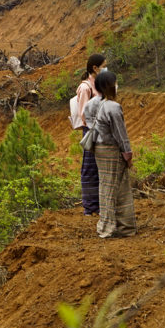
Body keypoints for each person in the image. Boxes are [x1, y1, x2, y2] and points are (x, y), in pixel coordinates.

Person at [92, 69, 136, 238]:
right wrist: (128, 155)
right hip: (111, 151)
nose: (117, 86)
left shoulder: (99, 104)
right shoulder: (113, 107)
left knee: (111, 187)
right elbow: (120, 134)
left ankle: (125, 227)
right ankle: (108, 228)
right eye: (115, 83)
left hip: (100, 150)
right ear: (110, 86)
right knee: (112, 189)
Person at [74, 53, 107, 215]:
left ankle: (99, 205)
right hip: (92, 131)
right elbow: (84, 114)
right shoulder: (85, 88)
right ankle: (90, 207)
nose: (105, 69)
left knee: (100, 167)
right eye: (103, 66)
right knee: (89, 168)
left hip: (101, 130)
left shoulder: (98, 85)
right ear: (95, 68)